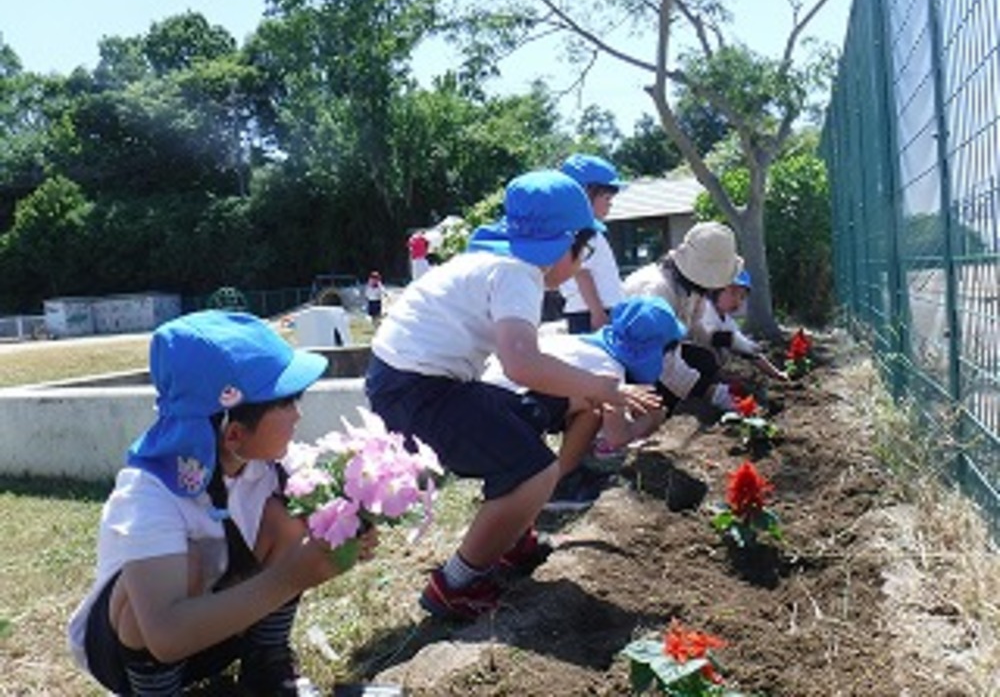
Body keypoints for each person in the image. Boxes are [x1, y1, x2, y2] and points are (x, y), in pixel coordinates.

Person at [364, 169, 661, 621]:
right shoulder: (519, 274)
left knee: (522, 421)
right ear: (563, 245)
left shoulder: (495, 262)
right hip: (418, 389)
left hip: (409, 379)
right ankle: (456, 583)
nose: (580, 265)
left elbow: (519, 367)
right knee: (535, 470)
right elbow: (522, 364)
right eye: (582, 252)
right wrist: (602, 387)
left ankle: (512, 538)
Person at [67, 310, 375, 696]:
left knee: (295, 516)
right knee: (189, 561)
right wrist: (291, 575)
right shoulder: (149, 493)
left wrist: (349, 522)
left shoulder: (266, 464)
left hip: (219, 629)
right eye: (288, 402)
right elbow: (164, 633)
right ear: (233, 435)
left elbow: (320, 508)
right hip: (134, 654)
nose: (299, 413)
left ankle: (266, 663)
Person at [482, 296, 685, 511]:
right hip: (501, 419)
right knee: (593, 407)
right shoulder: (610, 371)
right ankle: (555, 486)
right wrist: (652, 420)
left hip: (483, 404)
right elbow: (616, 437)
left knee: (581, 399)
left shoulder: (579, 344)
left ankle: (558, 472)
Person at [623, 221, 745, 418]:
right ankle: (660, 417)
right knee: (665, 391)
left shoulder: (691, 288)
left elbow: (695, 329)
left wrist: (731, 351)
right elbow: (660, 360)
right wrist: (711, 392)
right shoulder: (655, 293)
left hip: (660, 352)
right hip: (632, 360)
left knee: (705, 360)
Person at [558, 153, 626, 334]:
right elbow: (582, 273)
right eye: (607, 199)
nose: (610, 205)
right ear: (585, 194)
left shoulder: (582, 229)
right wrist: (598, 314)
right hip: (591, 312)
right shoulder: (583, 232)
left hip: (591, 310)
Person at [703, 269, 788, 384]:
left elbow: (749, 352)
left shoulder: (728, 322)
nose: (737, 301)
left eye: (742, 297)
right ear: (716, 290)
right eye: (732, 293)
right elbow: (711, 336)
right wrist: (737, 342)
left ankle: (716, 379)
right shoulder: (704, 310)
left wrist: (776, 373)